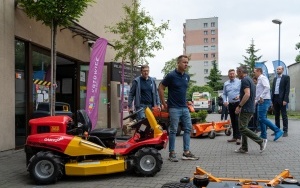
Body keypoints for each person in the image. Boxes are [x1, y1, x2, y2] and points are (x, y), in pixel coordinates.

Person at [158, 55, 199, 162]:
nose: (186, 64)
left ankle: (186, 152)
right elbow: (161, 87)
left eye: (187, 63)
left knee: (188, 128)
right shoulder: (171, 75)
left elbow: (182, 91)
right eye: (184, 62)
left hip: (184, 107)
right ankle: (172, 153)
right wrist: (163, 103)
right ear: (178, 63)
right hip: (174, 108)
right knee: (173, 131)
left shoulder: (187, 76)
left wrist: (187, 101)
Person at [234, 65, 267, 154]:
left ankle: (260, 141)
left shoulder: (245, 80)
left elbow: (247, 94)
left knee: (242, 128)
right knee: (243, 127)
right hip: (250, 108)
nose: (237, 74)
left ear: (241, 71)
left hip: (246, 108)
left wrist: (239, 106)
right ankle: (244, 148)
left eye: (237, 72)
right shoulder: (250, 80)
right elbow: (252, 95)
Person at [254, 68, 283, 141]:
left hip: (264, 100)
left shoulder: (262, 78)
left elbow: (267, 87)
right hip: (261, 100)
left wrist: (261, 96)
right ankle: (263, 134)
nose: (254, 73)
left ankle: (277, 130)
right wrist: (256, 100)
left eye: (255, 72)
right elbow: (259, 91)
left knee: (262, 118)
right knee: (260, 119)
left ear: (259, 71)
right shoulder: (260, 79)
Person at [222, 69, 241, 145]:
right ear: (228, 75)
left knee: (237, 120)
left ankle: (239, 137)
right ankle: (234, 137)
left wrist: (239, 96)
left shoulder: (239, 82)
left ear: (235, 74)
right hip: (230, 104)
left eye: (233, 74)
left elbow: (242, 92)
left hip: (238, 103)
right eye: (230, 74)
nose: (232, 75)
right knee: (233, 121)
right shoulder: (226, 83)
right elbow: (224, 94)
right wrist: (224, 101)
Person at [271, 66, 290, 137]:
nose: (278, 70)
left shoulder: (286, 77)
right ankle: (277, 130)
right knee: (276, 115)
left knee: (284, 115)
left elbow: (287, 89)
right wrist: (272, 100)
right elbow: (273, 89)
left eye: (279, 69)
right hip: (275, 98)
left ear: (282, 70)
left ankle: (285, 131)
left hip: (282, 99)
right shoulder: (275, 79)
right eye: (277, 69)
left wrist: (285, 99)